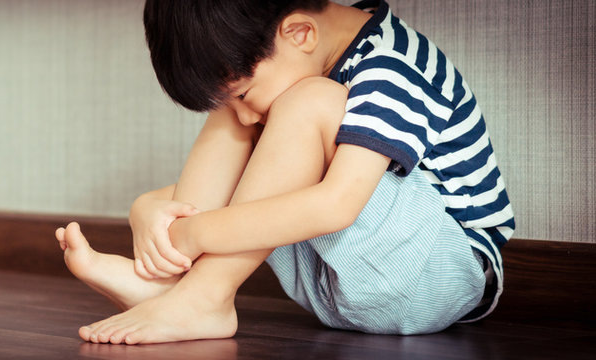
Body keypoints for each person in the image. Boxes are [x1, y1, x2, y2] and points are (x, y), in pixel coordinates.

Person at [54, 0, 514, 344]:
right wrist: (153, 207)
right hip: (341, 276)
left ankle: (203, 296)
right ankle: (173, 285)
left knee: (306, 100)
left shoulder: (392, 65)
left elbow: (337, 203)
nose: (248, 118)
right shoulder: (294, 61)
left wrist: (194, 233)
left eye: (245, 90)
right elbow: (281, 177)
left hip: (436, 277)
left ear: (300, 33)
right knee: (236, 112)